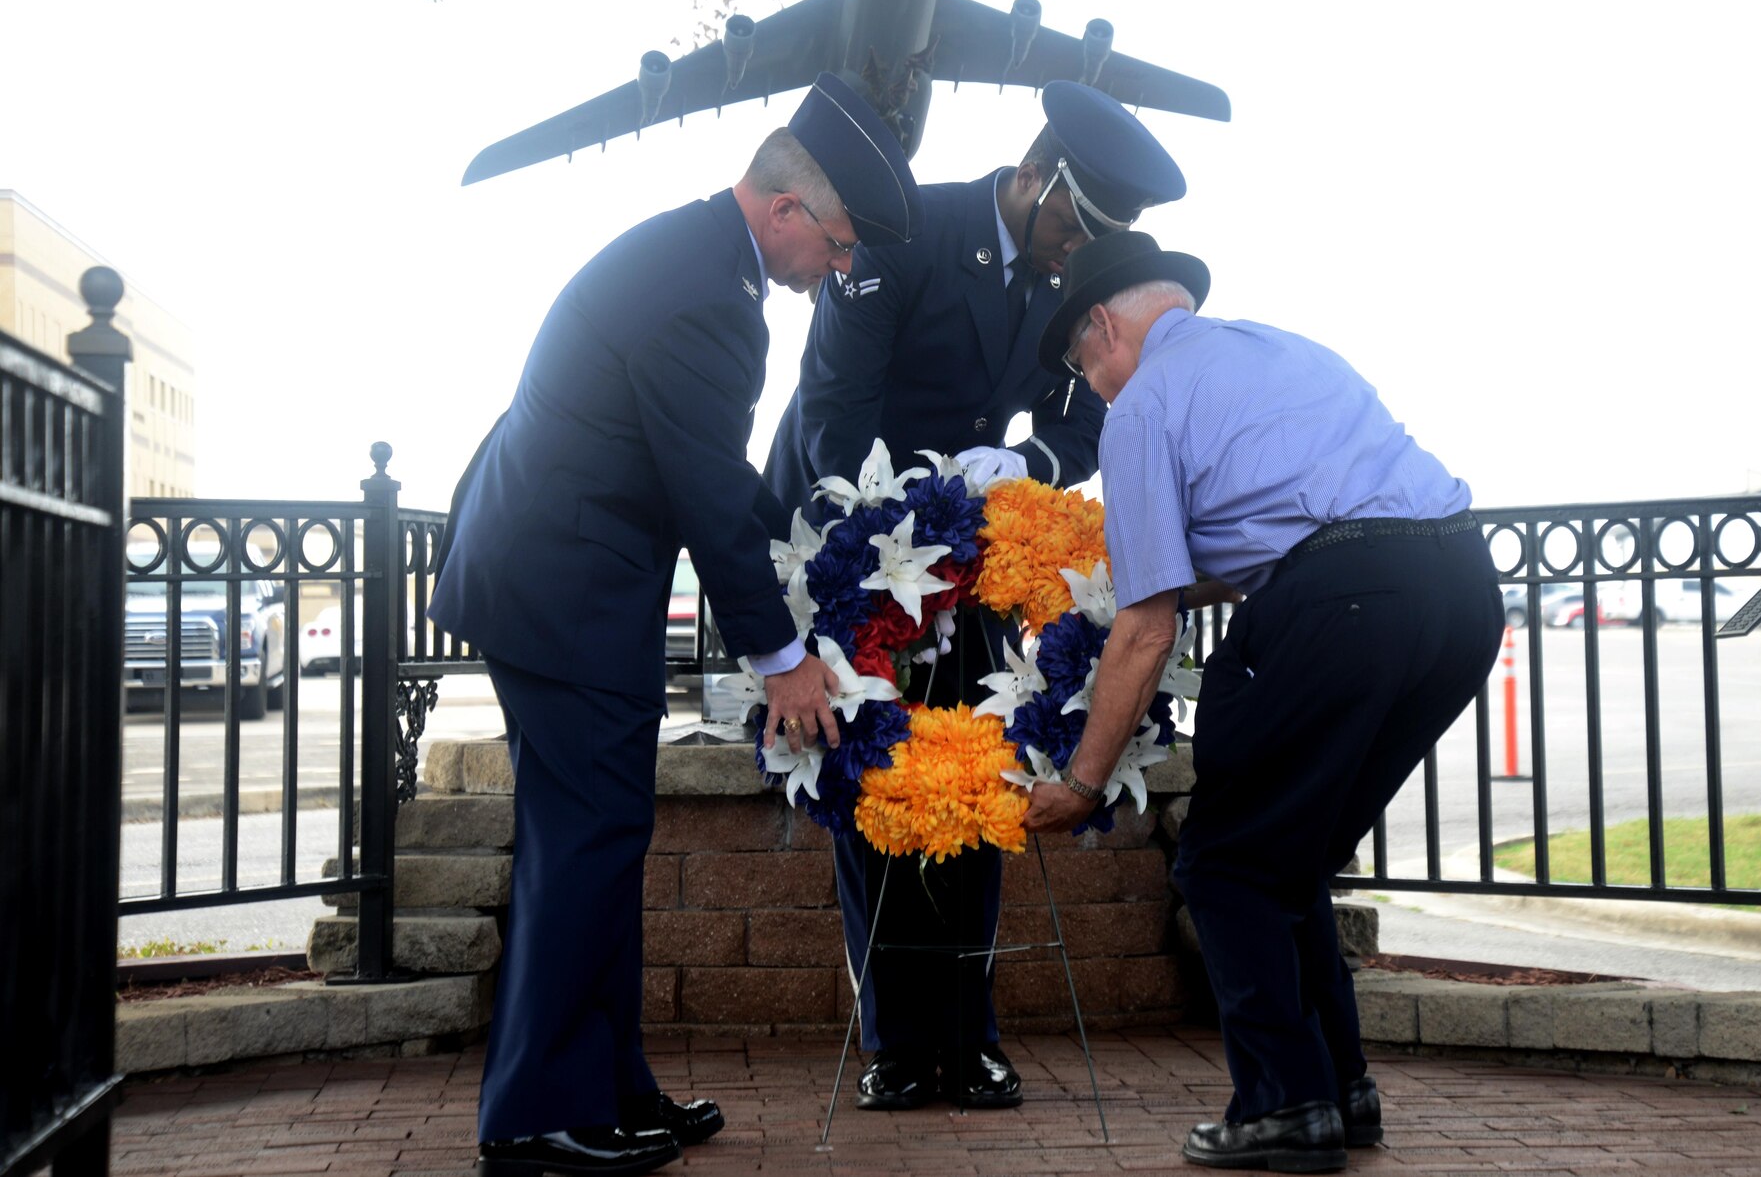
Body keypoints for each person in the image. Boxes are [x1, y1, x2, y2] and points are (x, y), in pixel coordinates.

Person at [429, 74, 921, 1177]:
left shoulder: (693, 259)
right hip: (562, 595)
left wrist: (819, 536)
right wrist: (785, 659)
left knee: (601, 837)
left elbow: (705, 469)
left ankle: (607, 1086)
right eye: (837, 243)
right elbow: (700, 488)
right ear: (785, 208)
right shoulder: (710, 291)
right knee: (584, 843)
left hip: (555, 586)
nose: (835, 272)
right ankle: (535, 1117)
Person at [1019, 232, 1503, 1174]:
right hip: (1460, 593)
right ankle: (1337, 1091)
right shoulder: (1283, 350)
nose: (1095, 389)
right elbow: (1271, 540)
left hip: (1346, 600)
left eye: (1085, 367)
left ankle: (1282, 1107)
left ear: (1103, 326)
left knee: (1228, 864)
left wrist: (1082, 781)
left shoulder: (1145, 402)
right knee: (1293, 851)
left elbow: (1148, 628)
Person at [760, 82, 1188, 1113]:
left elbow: (1091, 408)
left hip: (968, 553)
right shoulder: (907, 232)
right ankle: (897, 1043)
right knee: (874, 785)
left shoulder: (1067, 272)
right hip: (850, 533)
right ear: (1036, 177)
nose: (1072, 252)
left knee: (976, 774)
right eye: (1074, 225)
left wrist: (1027, 454)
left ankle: (971, 1034)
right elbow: (832, 411)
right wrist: (903, 515)